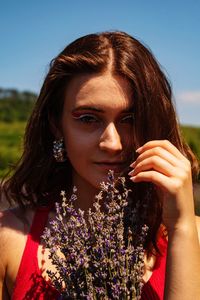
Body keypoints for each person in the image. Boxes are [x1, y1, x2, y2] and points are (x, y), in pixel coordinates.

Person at [0, 31, 200, 300]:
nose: (113, 143)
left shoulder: (193, 235)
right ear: (57, 125)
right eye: (88, 118)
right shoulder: (8, 237)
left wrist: (181, 228)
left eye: (130, 118)